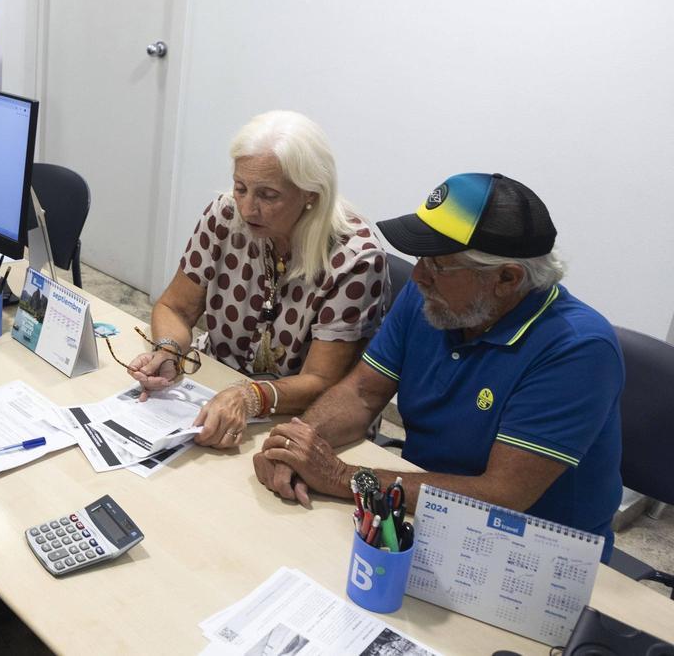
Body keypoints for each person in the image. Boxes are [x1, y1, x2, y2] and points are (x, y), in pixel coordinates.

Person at [254, 173, 623, 560]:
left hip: (529, 552)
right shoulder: (432, 298)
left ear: (506, 278)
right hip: (420, 513)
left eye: (438, 265)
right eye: (420, 258)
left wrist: (344, 477)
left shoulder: (578, 350)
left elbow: (501, 495)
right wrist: (297, 448)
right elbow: (362, 393)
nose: (417, 275)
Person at [127, 110, 389, 449]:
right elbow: (176, 307)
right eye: (241, 188)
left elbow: (323, 381)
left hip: (299, 421)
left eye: (268, 195)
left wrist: (249, 396)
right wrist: (169, 349)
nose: (248, 208)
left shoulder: (354, 260)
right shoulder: (224, 216)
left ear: (311, 193)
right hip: (216, 390)